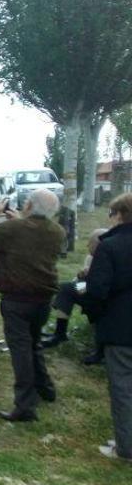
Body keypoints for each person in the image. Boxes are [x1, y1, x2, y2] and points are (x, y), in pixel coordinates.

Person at [0, 189, 65, 422]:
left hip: (17, 299)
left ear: (29, 206)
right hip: (43, 298)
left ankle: (25, 405)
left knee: (20, 351)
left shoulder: (13, 229)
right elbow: (31, 235)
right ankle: (46, 389)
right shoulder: (57, 231)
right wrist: (20, 222)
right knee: (34, 344)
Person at [84, 193, 132, 461]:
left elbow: (97, 290)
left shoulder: (110, 246)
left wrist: (97, 317)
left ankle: (126, 448)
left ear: (120, 214)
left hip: (121, 328)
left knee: (123, 388)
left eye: (111, 214)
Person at [41, 229, 107, 350]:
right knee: (67, 288)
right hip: (89, 290)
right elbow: (77, 283)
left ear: (99, 244)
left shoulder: (110, 258)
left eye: (90, 242)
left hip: (106, 296)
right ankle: (60, 332)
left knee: (70, 289)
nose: (87, 245)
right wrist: (82, 275)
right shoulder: (90, 258)